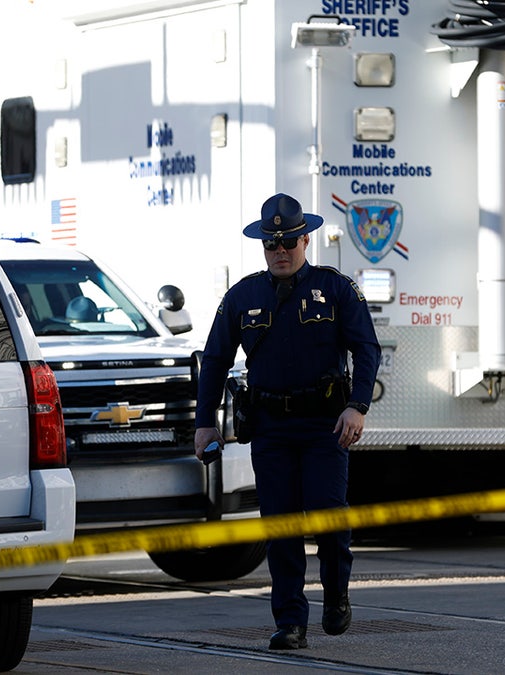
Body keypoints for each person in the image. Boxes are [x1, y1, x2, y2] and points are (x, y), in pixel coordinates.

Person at [194, 193, 381, 650]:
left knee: (329, 520)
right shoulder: (242, 296)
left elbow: (367, 349)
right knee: (280, 527)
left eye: (289, 243)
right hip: (271, 428)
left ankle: (336, 595)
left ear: (306, 239)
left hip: (324, 427)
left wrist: (357, 406)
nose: (280, 252)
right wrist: (204, 423)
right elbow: (214, 361)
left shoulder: (335, 289)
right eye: (271, 245)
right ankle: (290, 620)